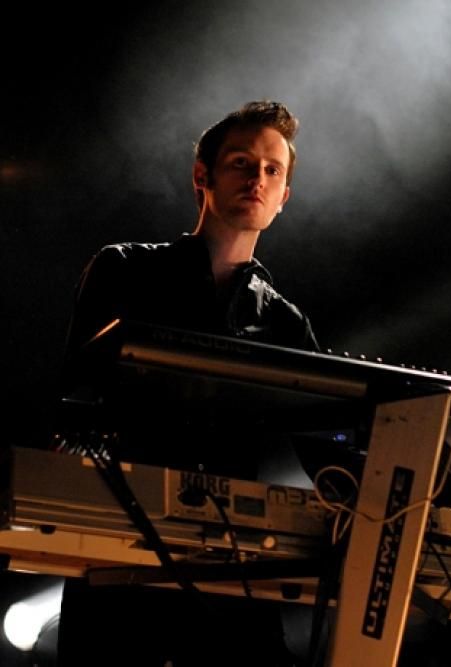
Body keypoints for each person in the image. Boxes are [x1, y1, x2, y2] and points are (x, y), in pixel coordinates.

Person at [55, 101, 320, 667]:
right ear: (203, 176)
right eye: (241, 163)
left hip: (231, 568)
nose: (257, 179)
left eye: (272, 170)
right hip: (119, 544)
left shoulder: (285, 322)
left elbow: (326, 445)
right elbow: (75, 398)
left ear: (283, 198)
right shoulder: (124, 269)